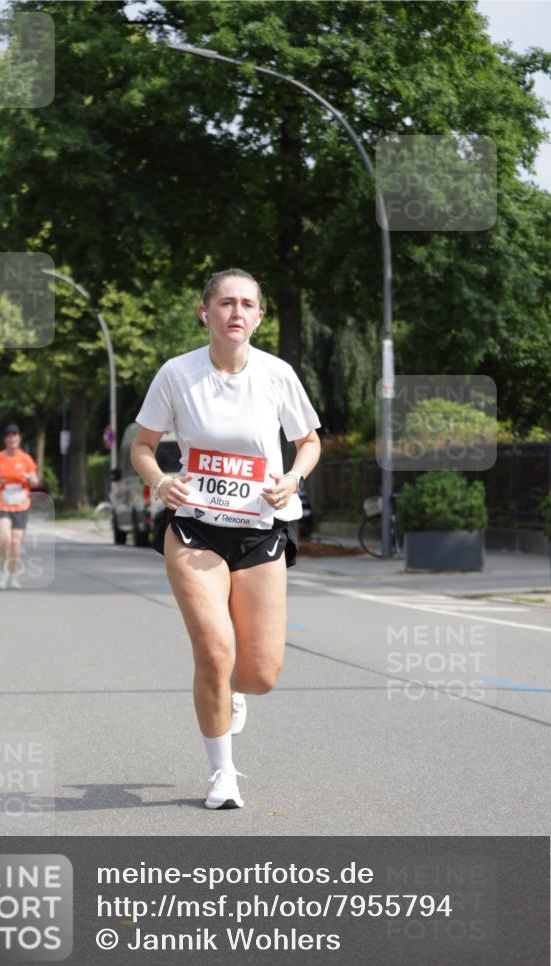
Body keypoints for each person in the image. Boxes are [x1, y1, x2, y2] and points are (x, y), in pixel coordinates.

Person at [131, 268, 321, 809]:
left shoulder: (278, 375)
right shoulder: (176, 374)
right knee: (214, 650)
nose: (236, 313)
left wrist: (293, 478)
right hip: (195, 529)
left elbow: (308, 442)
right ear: (205, 312)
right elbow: (142, 446)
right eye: (225, 303)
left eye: (247, 304)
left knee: (258, 675)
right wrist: (162, 479)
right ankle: (222, 774)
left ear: (259, 316)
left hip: (260, 530)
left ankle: (236, 693)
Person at [0, 424, 39, 589]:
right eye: (8, 436)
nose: (11, 439)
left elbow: (36, 481)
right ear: (5, 440)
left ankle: (13, 575)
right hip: (1, 502)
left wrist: (29, 477)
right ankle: (2, 573)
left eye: (14, 436)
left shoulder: (26, 459)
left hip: (21, 503)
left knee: (15, 543)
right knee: (4, 538)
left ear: (19, 438)